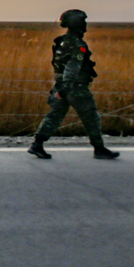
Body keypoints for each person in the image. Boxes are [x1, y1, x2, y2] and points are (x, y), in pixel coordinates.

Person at [28, 9, 119, 160]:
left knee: (54, 116)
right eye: (82, 21)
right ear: (77, 23)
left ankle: (37, 144)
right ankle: (99, 148)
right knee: (91, 117)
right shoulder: (78, 44)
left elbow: (59, 65)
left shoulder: (61, 42)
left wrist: (61, 86)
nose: (85, 24)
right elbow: (73, 65)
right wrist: (67, 87)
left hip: (60, 85)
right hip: (75, 88)